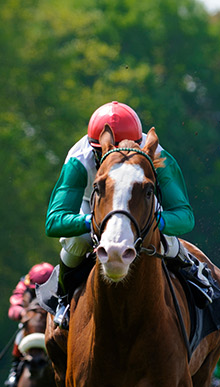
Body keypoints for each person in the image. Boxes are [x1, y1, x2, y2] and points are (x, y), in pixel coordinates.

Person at [43, 101, 208, 328]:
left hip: (138, 201)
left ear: (140, 145)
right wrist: (94, 222)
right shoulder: (78, 160)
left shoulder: (158, 156)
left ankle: (194, 276)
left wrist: (154, 223)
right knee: (78, 240)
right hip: (93, 202)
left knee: (166, 240)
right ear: (95, 148)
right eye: (105, 154)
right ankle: (63, 298)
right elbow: (54, 222)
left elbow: (184, 216)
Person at [4, 262, 55, 387]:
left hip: (52, 322)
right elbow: (14, 305)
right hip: (31, 323)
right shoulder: (24, 284)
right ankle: (15, 370)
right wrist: (22, 313)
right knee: (20, 336)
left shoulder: (59, 284)